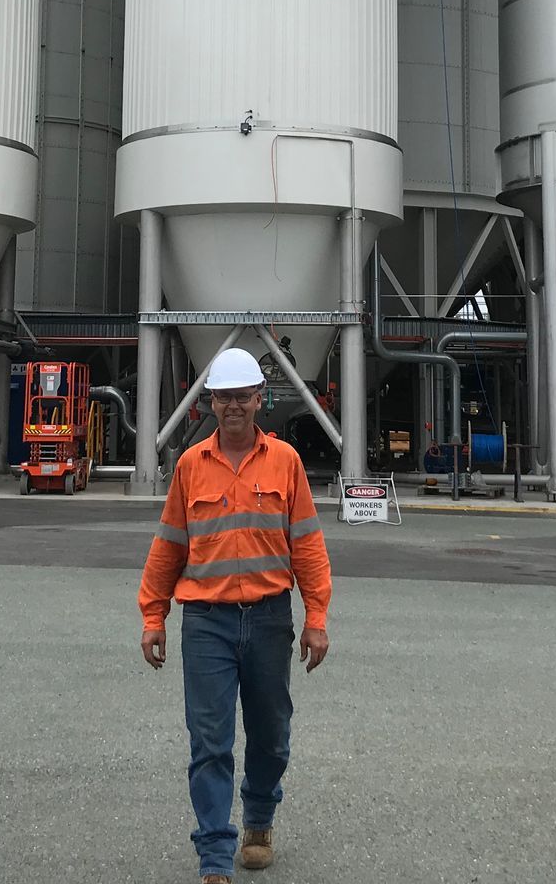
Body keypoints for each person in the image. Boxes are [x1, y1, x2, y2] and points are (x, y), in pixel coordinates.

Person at [139, 347, 332, 882]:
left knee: (271, 733)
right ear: (211, 403)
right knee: (209, 741)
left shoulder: (286, 463)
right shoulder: (189, 466)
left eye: (242, 398)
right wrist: (152, 615)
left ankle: (259, 819)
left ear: (259, 399)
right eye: (223, 399)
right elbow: (168, 546)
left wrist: (316, 615)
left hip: (270, 619)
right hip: (206, 623)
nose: (233, 408)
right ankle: (215, 855)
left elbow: (309, 546)